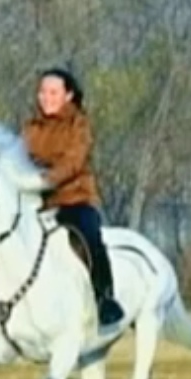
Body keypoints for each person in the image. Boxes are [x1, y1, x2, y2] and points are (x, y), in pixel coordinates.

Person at [23, 67, 125, 330]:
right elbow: (20, 159)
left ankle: (105, 299)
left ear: (68, 95)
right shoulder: (30, 127)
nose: (46, 97)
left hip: (75, 199)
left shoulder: (79, 124)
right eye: (43, 92)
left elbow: (74, 161)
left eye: (53, 92)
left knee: (90, 237)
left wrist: (46, 180)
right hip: (38, 203)